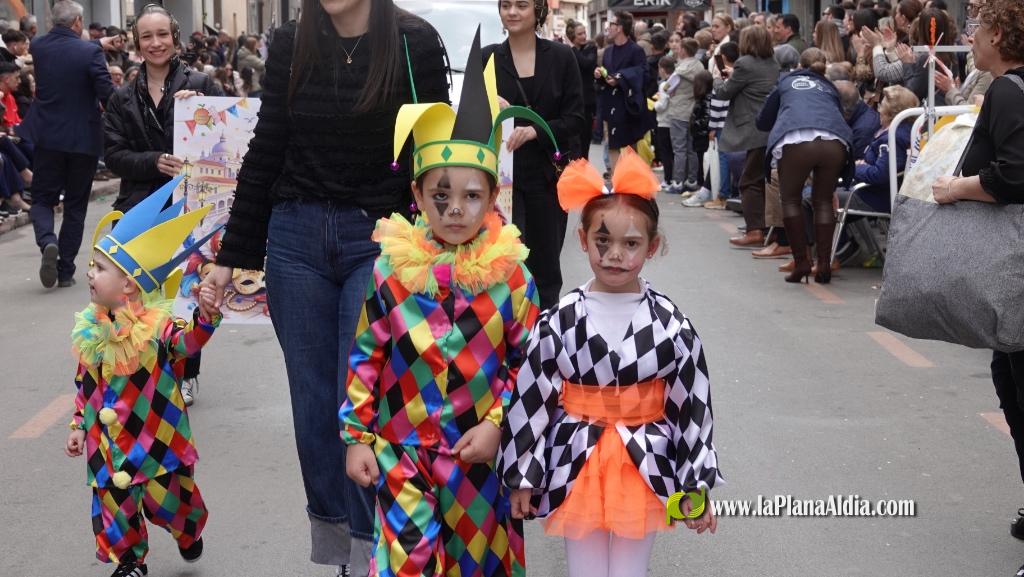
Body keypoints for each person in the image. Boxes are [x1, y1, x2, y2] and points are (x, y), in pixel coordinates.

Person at [201, 1, 449, 574]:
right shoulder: (291, 41)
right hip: (296, 237)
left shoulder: (414, 42)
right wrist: (231, 255)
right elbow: (267, 150)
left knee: (359, 398)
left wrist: (449, 247)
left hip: (381, 240)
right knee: (313, 408)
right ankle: (341, 548)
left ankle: (373, 549)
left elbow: (436, 151)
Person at [340, 29, 554, 576]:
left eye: (471, 196)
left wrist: (500, 426)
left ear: (492, 197)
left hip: (477, 455)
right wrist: (358, 437)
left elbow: (529, 366)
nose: (455, 209)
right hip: (400, 449)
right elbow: (367, 354)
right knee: (407, 562)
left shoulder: (512, 278)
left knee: (478, 563)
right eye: (440, 195)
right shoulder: (392, 270)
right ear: (416, 196)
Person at [500, 149, 723, 577]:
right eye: (603, 242)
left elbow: (692, 408)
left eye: (631, 243)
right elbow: (531, 400)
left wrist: (694, 483)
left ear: (652, 246)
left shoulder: (672, 326)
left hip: (644, 460)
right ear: (583, 240)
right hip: (575, 456)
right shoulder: (558, 322)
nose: (615, 254)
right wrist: (524, 474)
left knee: (628, 572)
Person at [63, 177, 222, 577]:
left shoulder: (156, 328)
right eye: (92, 266)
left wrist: (205, 316)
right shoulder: (91, 328)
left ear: (129, 284)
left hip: (157, 440)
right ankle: (130, 561)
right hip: (107, 446)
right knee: (114, 507)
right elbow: (85, 382)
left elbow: (188, 345)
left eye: (99, 268)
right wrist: (80, 425)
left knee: (172, 504)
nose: (89, 274)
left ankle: (188, 533)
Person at [927, 6, 1024, 570]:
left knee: (1015, 383)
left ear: (999, 36)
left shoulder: (1009, 89)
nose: (970, 37)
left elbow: (1015, 175)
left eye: (977, 28)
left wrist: (956, 186)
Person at [103, 4, 222, 407]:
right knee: (138, 295)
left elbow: (227, 140)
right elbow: (113, 154)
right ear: (136, 44)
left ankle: (188, 373)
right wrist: (153, 160)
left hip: (190, 206)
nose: (156, 43)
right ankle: (143, 370)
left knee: (187, 293)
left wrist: (202, 108)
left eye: (162, 35)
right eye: (147, 37)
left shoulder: (203, 83)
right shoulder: (122, 97)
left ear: (175, 38)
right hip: (139, 209)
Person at [484, 0, 583, 310]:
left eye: (521, 5)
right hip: (501, 178)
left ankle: (545, 337)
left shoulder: (562, 57)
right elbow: (471, 117)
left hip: (547, 177)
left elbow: (577, 118)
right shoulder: (488, 57)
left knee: (545, 266)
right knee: (502, 262)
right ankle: (505, 340)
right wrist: (489, 105)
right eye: (506, 5)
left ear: (538, 11)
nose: (512, 12)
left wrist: (536, 130)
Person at [22, 0, 115, 289]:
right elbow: (106, 94)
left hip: (47, 136)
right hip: (82, 139)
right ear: (77, 22)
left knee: (41, 199)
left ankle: (47, 241)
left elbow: (63, 50)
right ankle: (65, 270)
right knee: (75, 205)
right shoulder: (90, 52)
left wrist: (97, 43)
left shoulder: (38, 46)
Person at [757, 48, 853, 284]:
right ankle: (824, 265)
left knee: (790, 199)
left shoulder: (785, 82)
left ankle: (801, 262)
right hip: (835, 140)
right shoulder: (829, 86)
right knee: (823, 200)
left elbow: (763, 121)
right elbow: (840, 115)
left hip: (796, 136)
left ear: (800, 64)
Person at [713, 25, 779, 245]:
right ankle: (765, 227)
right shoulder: (773, 62)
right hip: (771, 126)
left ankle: (755, 230)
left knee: (748, 181)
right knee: (763, 180)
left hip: (752, 127)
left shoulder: (744, 63)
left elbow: (724, 92)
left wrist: (718, 77)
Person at [596, 11, 648, 171]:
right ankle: (616, 180)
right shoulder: (608, 51)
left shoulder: (636, 50)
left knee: (630, 146)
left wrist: (620, 78)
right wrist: (600, 75)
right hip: (609, 104)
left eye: (611, 24)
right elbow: (606, 74)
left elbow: (643, 73)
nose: (608, 28)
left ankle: (631, 182)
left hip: (627, 105)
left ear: (619, 28)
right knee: (612, 144)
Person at [569, 20, 598, 161]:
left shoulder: (591, 48)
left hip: (587, 100)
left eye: (584, 33)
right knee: (573, 139)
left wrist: (573, 49)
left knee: (585, 138)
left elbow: (586, 64)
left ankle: (584, 165)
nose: (583, 36)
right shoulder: (567, 51)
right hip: (571, 100)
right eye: (579, 34)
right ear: (572, 36)